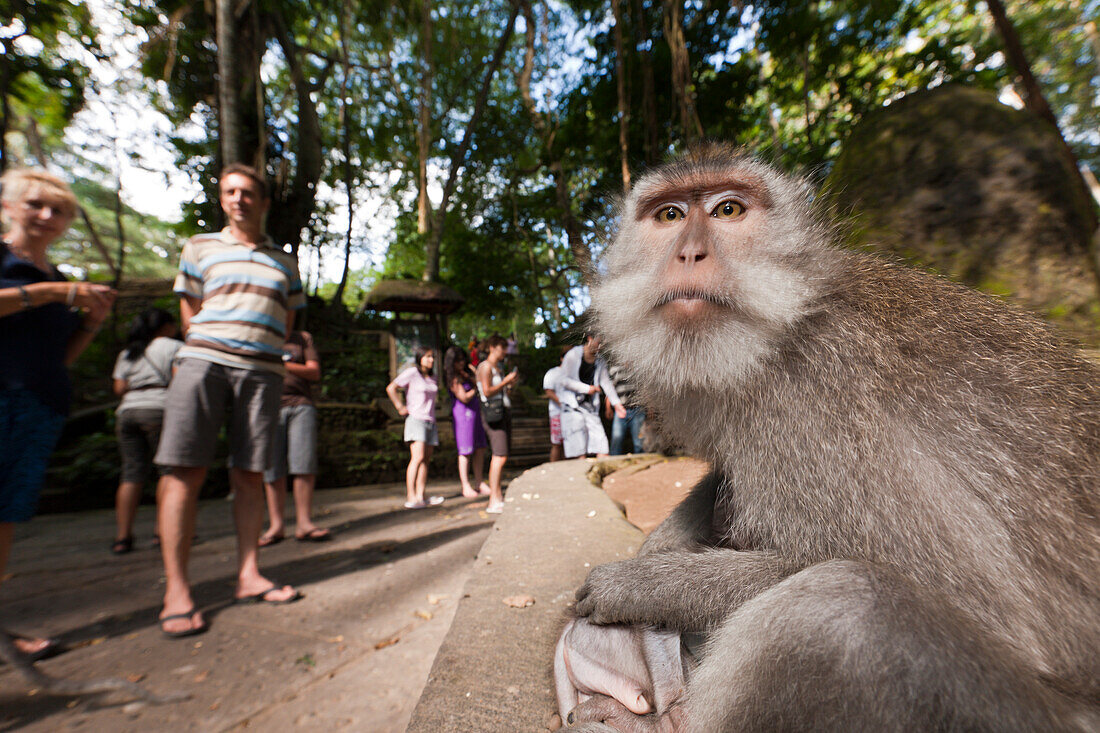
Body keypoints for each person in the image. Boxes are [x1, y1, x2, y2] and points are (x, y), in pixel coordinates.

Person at [153, 163, 306, 638]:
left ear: (263, 202)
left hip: (262, 371)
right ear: (222, 199)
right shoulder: (200, 247)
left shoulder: (286, 262)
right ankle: (176, 590)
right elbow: (189, 310)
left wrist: (264, 350)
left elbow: (288, 322)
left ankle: (249, 573)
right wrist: (205, 347)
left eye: (247, 192)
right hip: (204, 361)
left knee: (250, 473)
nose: (237, 199)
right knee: (183, 468)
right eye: (229, 191)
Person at [0, 168, 117, 659]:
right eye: (35, 204)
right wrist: (51, 295)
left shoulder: (58, 278)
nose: (47, 216)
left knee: (4, 517)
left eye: (59, 210)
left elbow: (59, 355)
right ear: (9, 206)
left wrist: (90, 323)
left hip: (38, 406)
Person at [111, 307, 181, 554]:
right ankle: (162, 531)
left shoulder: (129, 352)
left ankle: (123, 537)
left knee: (131, 473)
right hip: (158, 408)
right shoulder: (172, 346)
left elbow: (119, 388)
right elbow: (179, 380)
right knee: (167, 470)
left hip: (128, 411)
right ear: (165, 327)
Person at [258, 330, 329, 546]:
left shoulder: (302, 338)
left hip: (301, 405)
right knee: (271, 468)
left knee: (303, 464)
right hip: (269, 406)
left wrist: (280, 365)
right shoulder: (262, 333)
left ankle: (304, 523)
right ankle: (276, 525)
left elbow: (314, 371)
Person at [387, 346, 445, 509]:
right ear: (420, 358)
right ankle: (411, 496)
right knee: (417, 457)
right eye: (427, 357)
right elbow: (391, 388)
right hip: (416, 420)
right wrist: (400, 407)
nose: (431, 360)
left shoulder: (433, 377)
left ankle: (421, 494)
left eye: (432, 357)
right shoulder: (412, 373)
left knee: (426, 460)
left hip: (430, 421)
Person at [558, 334, 626, 459]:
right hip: (572, 408)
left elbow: (606, 383)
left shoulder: (600, 361)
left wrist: (617, 404)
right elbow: (563, 380)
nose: (601, 346)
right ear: (590, 338)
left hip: (590, 408)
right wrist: (587, 389)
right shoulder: (573, 355)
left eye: (604, 343)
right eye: (599, 342)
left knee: (602, 447)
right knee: (579, 453)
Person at [476, 334, 518, 514]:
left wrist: (509, 385)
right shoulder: (485, 367)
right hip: (493, 415)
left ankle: (498, 496)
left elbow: (500, 391)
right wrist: (505, 382)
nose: (505, 352)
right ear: (493, 347)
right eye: (503, 348)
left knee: (502, 456)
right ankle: (494, 499)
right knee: (499, 456)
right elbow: (487, 391)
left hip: (503, 412)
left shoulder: (497, 367)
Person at [443, 346, 490, 498]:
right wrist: (476, 389)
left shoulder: (465, 373)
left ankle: (479, 481)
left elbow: (478, 378)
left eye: (463, 359)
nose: (462, 363)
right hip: (463, 416)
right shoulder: (453, 378)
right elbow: (464, 397)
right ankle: (466, 485)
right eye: (458, 361)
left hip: (475, 414)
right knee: (465, 450)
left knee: (480, 447)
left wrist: (472, 371)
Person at [607, 361, 646, 456]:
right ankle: (614, 462)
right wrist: (608, 408)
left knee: (639, 440)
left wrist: (650, 408)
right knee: (617, 438)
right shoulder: (614, 370)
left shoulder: (640, 369)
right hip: (620, 408)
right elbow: (609, 389)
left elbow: (645, 390)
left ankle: (642, 461)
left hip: (638, 409)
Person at [543, 345, 571, 462]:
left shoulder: (574, 373)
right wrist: (563, 403)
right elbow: (548, 391)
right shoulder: (552, 373)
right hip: (557, 413)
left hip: (572, 414)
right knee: (557, 444)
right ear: (561, 358)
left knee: (569, 444)